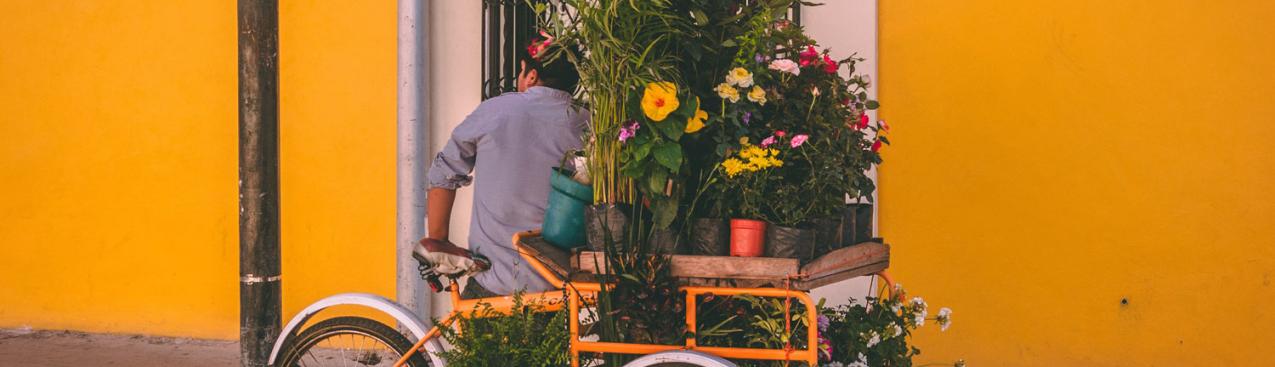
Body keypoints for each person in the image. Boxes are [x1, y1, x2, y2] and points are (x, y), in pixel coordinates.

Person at [415, 40, 585, 299]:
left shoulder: (495, 111)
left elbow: (443, 172)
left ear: (531, 75)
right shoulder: (589, 124)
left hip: (493, 281)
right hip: (557, 287)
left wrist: (439, 242)